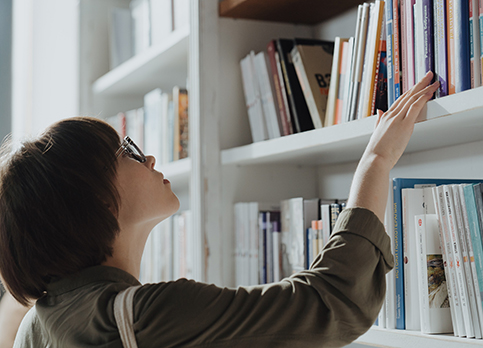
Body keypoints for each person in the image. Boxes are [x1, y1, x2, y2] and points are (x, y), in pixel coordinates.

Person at [0, 72, 439, 348]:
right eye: (128, 151)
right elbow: (331, 304)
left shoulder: (34, 329)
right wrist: (375, 163)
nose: (150, 159)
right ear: (93, 198)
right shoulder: (143, 316)